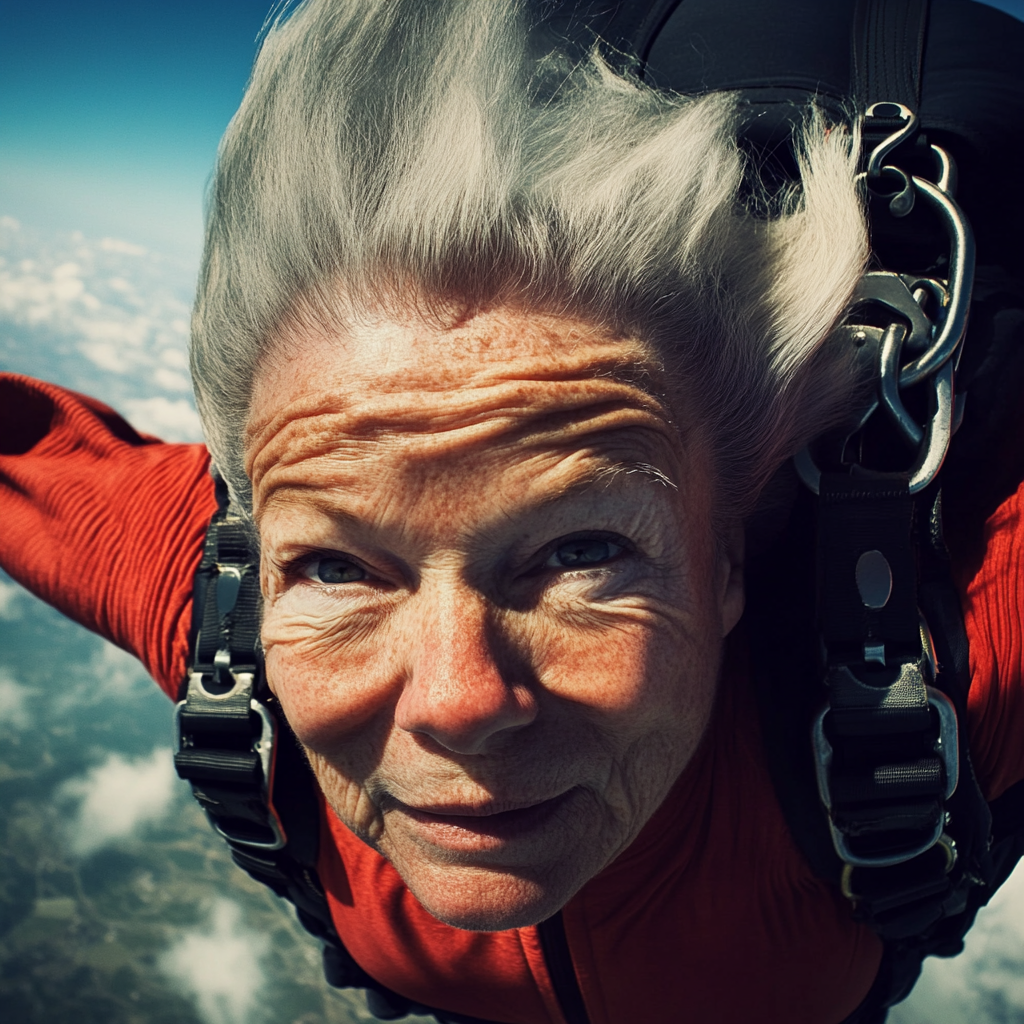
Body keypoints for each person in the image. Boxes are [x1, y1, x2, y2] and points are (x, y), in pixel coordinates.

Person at [2, 1, 1023, 1022]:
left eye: (583, 551)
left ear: (726, 562)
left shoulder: (926, 677)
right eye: (338, 568)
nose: (458, 703)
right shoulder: (234, 610)